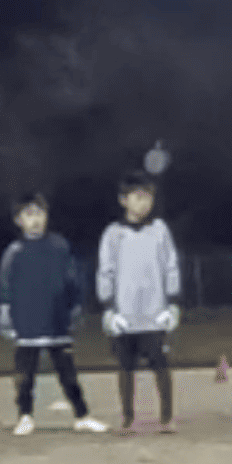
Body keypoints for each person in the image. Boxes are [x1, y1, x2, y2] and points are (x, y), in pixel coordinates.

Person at [0, 193, 108, 437]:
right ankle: (25, 416)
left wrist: (75, 307)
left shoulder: (59, 246)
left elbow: (72, 279)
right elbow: (6, 286)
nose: (35, 219)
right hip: (27, 322)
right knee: (25, 376)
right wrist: (6, 314)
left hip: (57, 320)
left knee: (68, 373)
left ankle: (82, 415)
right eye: (29, 214)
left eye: (40, 213)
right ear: (18, 220)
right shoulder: (14, 252)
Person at [97, 171, 183, 434]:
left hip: (154, 314)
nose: (144, 203)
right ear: (123, 200)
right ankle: (127, 418)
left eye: (148, 197)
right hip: (125, 316)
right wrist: (109, 309)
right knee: (125, 368)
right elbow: (106, 271)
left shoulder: (159, 231)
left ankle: (166, 417)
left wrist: (172, 303)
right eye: (137, 197)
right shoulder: (113, 234)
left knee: (161, 365)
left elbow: (170, 266)